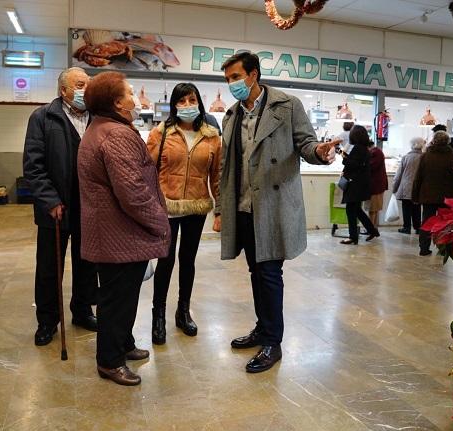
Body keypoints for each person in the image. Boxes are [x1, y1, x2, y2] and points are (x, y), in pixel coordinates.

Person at [216, 52, 335, 373]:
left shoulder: (287, 105)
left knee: (269, 274)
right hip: (243, 207)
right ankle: (262, 327)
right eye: (227, 79)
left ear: (253, 74)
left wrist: (320, 153)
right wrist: (219, 208)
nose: (232, 84)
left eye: (236, 77)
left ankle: (272, 342)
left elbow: (307, 144)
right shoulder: (231, 115)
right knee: (256, 272)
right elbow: (226, 165)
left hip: (273, 205)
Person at [78, 71, 170, 386]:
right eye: (130, 92)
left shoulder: (101, 128)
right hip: (121, 233)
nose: (134, 97)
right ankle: (110, 361)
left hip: (113, 233)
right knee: (117, 299)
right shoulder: (116, 135)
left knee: (122, 296)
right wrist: (160, 221)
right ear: (117, 102)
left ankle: (123, 344)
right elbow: (133, 192)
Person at [23, 67, 98, 346]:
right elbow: (33, 165)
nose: (85, 91)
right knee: (49, 268)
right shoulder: (43, 117)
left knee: (87, 264)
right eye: (80, 85)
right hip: (54, 208)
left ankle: (82, 311)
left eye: (88, 86)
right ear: (63, 90)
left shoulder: (96, 118)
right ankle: (47, 321)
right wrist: (50, 200)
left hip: (89, 207)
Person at [146, 83, 221, 345]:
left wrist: (219, 209)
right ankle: (158, 316)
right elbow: (147, 168)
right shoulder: (161, 133)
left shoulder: (211, 136)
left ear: (199, 102)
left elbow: (217, 176)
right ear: (174, 105)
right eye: (182, 100)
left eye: (192, 100)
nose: (187, 105)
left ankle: (183, 311)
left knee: (188, 260)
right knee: (165, 261)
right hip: (166, 206)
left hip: (196, 206)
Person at [412, 131, 453, 256]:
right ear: (448, 142)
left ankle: (424, 248)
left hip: (428, 195)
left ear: (434, 141)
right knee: (446, 222)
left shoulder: (425, 156)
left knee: (426, 222)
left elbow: (418, 178)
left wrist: (415, 196)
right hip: (447, 196)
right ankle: (443, 249)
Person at [338, 126, 379, 245]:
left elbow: (353, 164)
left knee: (351, 210)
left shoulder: (357, 148)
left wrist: (344, 157)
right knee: (357, 209)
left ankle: (353, 237)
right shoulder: (364, 148)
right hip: (361, 184)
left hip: (355, 184)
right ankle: (372, 230)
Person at [392, 137, 424, 234]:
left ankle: (406, 227)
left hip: (406, 186)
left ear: (412, 145)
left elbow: (399, 175)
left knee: (406, 207)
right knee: (417, 208)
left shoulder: (406, 157)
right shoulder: (424, 157)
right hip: (419, 187)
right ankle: (418, 227)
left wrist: (395, 187)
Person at [367, 141, 388, 228]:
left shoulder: (375, 153)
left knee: (372, 209)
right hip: (377, 185)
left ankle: (371, 228)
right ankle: (373, 227)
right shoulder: (377, 152)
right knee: (374, 209)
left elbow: (370, 167)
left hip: (375, 186)